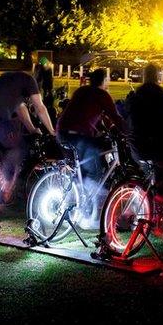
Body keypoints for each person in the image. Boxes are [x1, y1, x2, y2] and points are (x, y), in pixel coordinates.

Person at [56, 68, 125, 227]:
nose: (109, 83)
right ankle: (86, 209)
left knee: (82, 168)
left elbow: (92, 115)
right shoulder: (102, 95)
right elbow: (114, 117)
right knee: (94, 170)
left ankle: (78, 195)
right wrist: (128, 133)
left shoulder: (82, 91)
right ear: (103, 81)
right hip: (78, 135)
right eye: (108, 79)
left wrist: (105, 129)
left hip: (62, 133)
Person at [0, 70, 56, 197]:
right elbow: (40, 108)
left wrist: (32, 129)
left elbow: (21, 109)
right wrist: (51, 131)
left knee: (2, 147)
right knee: (19, 147)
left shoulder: (11, 80)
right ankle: (5, 190)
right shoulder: (30, 80)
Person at [125, 64, 163, 198]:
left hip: (136, 148)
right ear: (157, 77)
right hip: (155, 148)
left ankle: (153, 194)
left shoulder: (134, 99)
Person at [34, 56, 56, 123]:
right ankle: (49, 102)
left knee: (45, 93)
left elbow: (39, 77)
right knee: (48, 93)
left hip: (45, 84)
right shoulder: (49, 67)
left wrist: (36, 81)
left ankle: (46, 103)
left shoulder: (43, 68)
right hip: (48, 84)